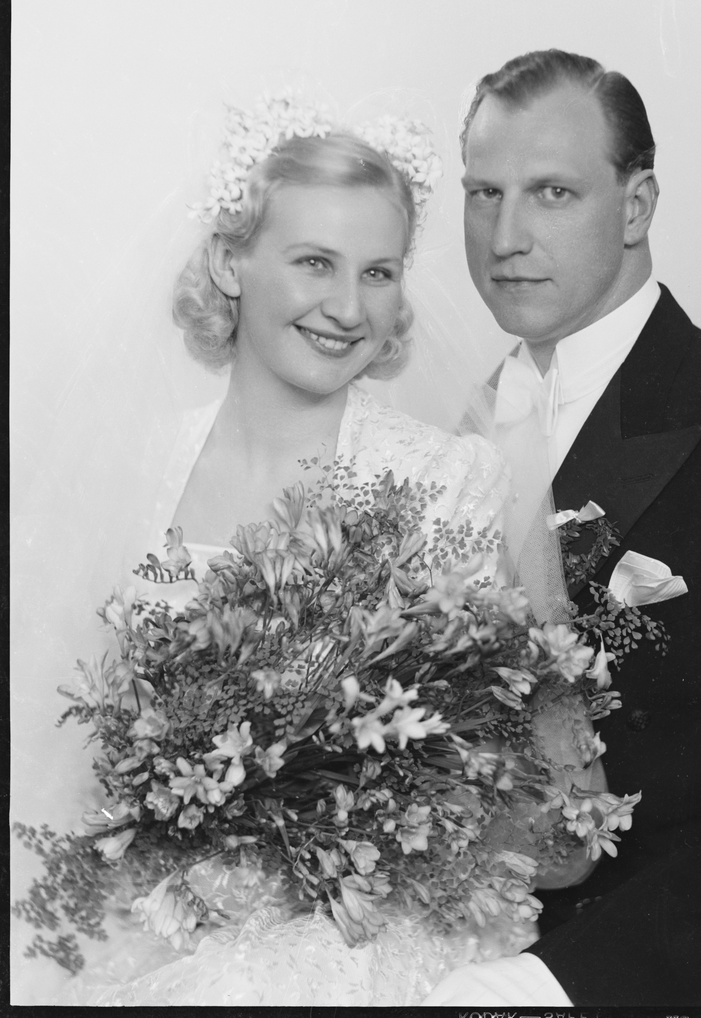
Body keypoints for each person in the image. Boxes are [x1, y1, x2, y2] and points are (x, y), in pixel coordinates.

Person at [12, 99, 599, 1005]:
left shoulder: (448, 483)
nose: (349, 308)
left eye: (379, 272)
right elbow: (56, 752)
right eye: (314, 262)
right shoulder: (134, 471)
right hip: (135, 917)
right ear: (230, 262)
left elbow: (549, 814)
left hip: (351, 941)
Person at [423, 49, 701, 1007]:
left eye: (553, 193)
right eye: (484, 194)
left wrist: (547, 987)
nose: (506, 237)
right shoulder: (453, 439)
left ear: (637, 205)